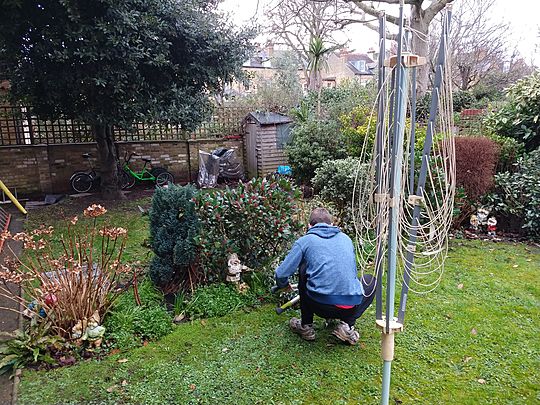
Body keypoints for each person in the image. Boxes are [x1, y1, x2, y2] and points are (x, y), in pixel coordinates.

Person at [275, 207, 375, 345]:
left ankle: (306, 326)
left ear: (309, 225)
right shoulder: (346, 239)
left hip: (320, 304)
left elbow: (281, 273)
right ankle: (347, 326)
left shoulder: (305, 241)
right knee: (371, 281)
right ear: (332, 224)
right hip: (350, 306)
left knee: (304, 269)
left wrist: (283, 285)